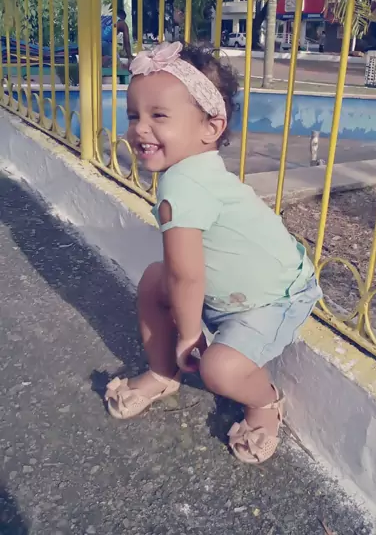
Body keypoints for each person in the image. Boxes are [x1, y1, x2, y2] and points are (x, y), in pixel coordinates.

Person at [104, 41, 322, 465]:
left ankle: (264, 402)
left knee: (218, 369)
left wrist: (189, 336)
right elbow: (180, 272)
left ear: (211, 127)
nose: (140, 128)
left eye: (158, 116)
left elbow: (187, 277)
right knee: (153, 280)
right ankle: (162, 372)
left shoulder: (184, 183)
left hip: (272, 300)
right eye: (133, 116)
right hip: (227, 291)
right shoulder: (190, 171)